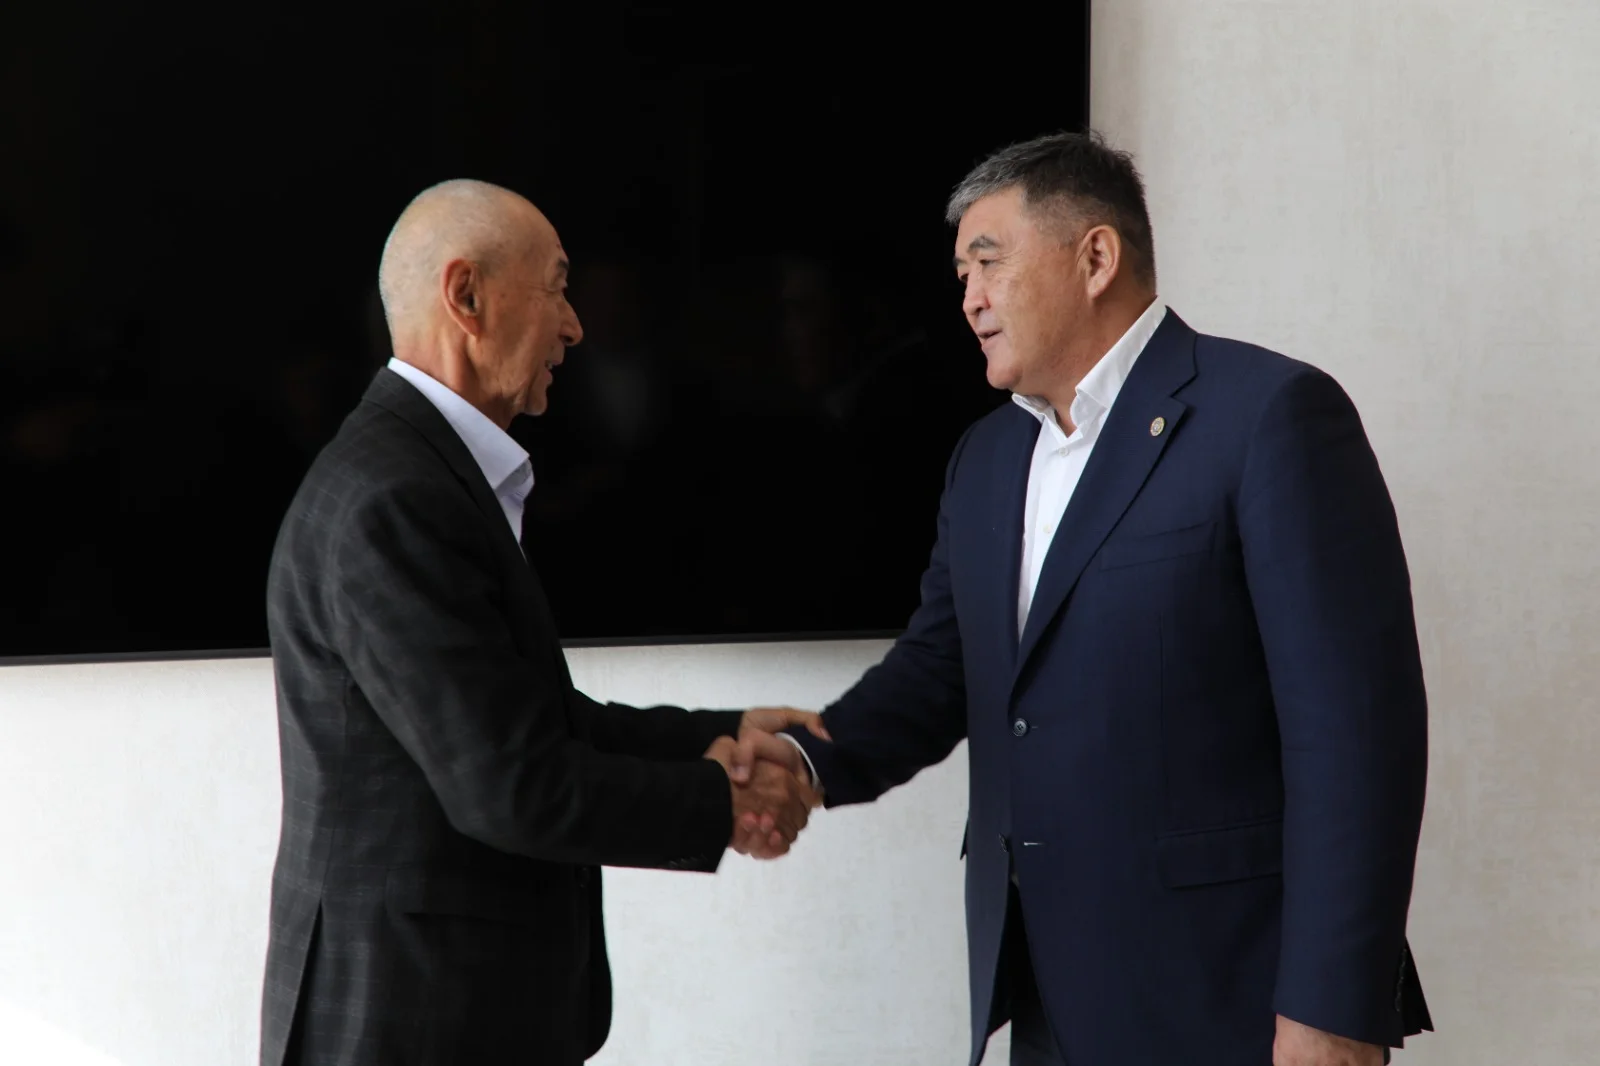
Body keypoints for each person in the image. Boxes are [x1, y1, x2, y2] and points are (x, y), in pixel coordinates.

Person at [767, 131, 1433, 1066]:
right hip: (1046, 997)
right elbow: (938, 670)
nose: (968, 298)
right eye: (961, 274)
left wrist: (1334, 1008)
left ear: (1095, 258)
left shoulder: (1271, 416)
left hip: (1229, 999)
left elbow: (1357, 735)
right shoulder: (985, 459)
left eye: (988, 263)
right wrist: (799, 762)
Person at [259, 179, 821, 1066]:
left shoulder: (417, 472)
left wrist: (720, 733)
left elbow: (530, 725)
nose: (575, 326)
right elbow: (508, 783)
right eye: (557, 287)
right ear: (467, 296)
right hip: (411, 1021)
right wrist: (725, 800)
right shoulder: (395, 496)